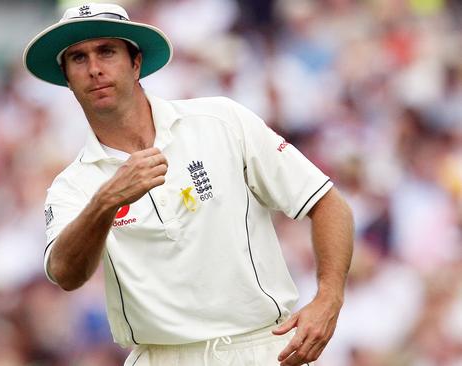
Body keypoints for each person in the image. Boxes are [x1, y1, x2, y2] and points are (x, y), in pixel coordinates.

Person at [23, 3, 353, 366]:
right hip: (160, 357)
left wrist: (329, 298)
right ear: (67, 79)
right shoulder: (73, 185)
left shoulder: (222, 121)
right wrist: (106, 202)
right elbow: (66, 274)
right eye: (78, 58)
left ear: (136, 63)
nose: (95, 69)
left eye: (107, 51)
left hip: (262, 349)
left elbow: (327, 203)